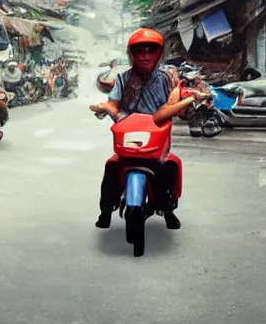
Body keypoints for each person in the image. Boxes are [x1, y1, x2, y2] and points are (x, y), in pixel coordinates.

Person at [89, 28, 207, 230]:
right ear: (131, 54)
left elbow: (180, 100)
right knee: (111, 168)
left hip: (156, 140)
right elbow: (113, 104)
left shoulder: (167, 78)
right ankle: (105, 211)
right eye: (139, 51)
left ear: (158, 54)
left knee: (168, 167)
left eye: (150, 51)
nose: (145, 56)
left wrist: (194, 102)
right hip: (129, 137)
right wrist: (105, 109)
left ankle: (168, 210)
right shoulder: (123, 79)